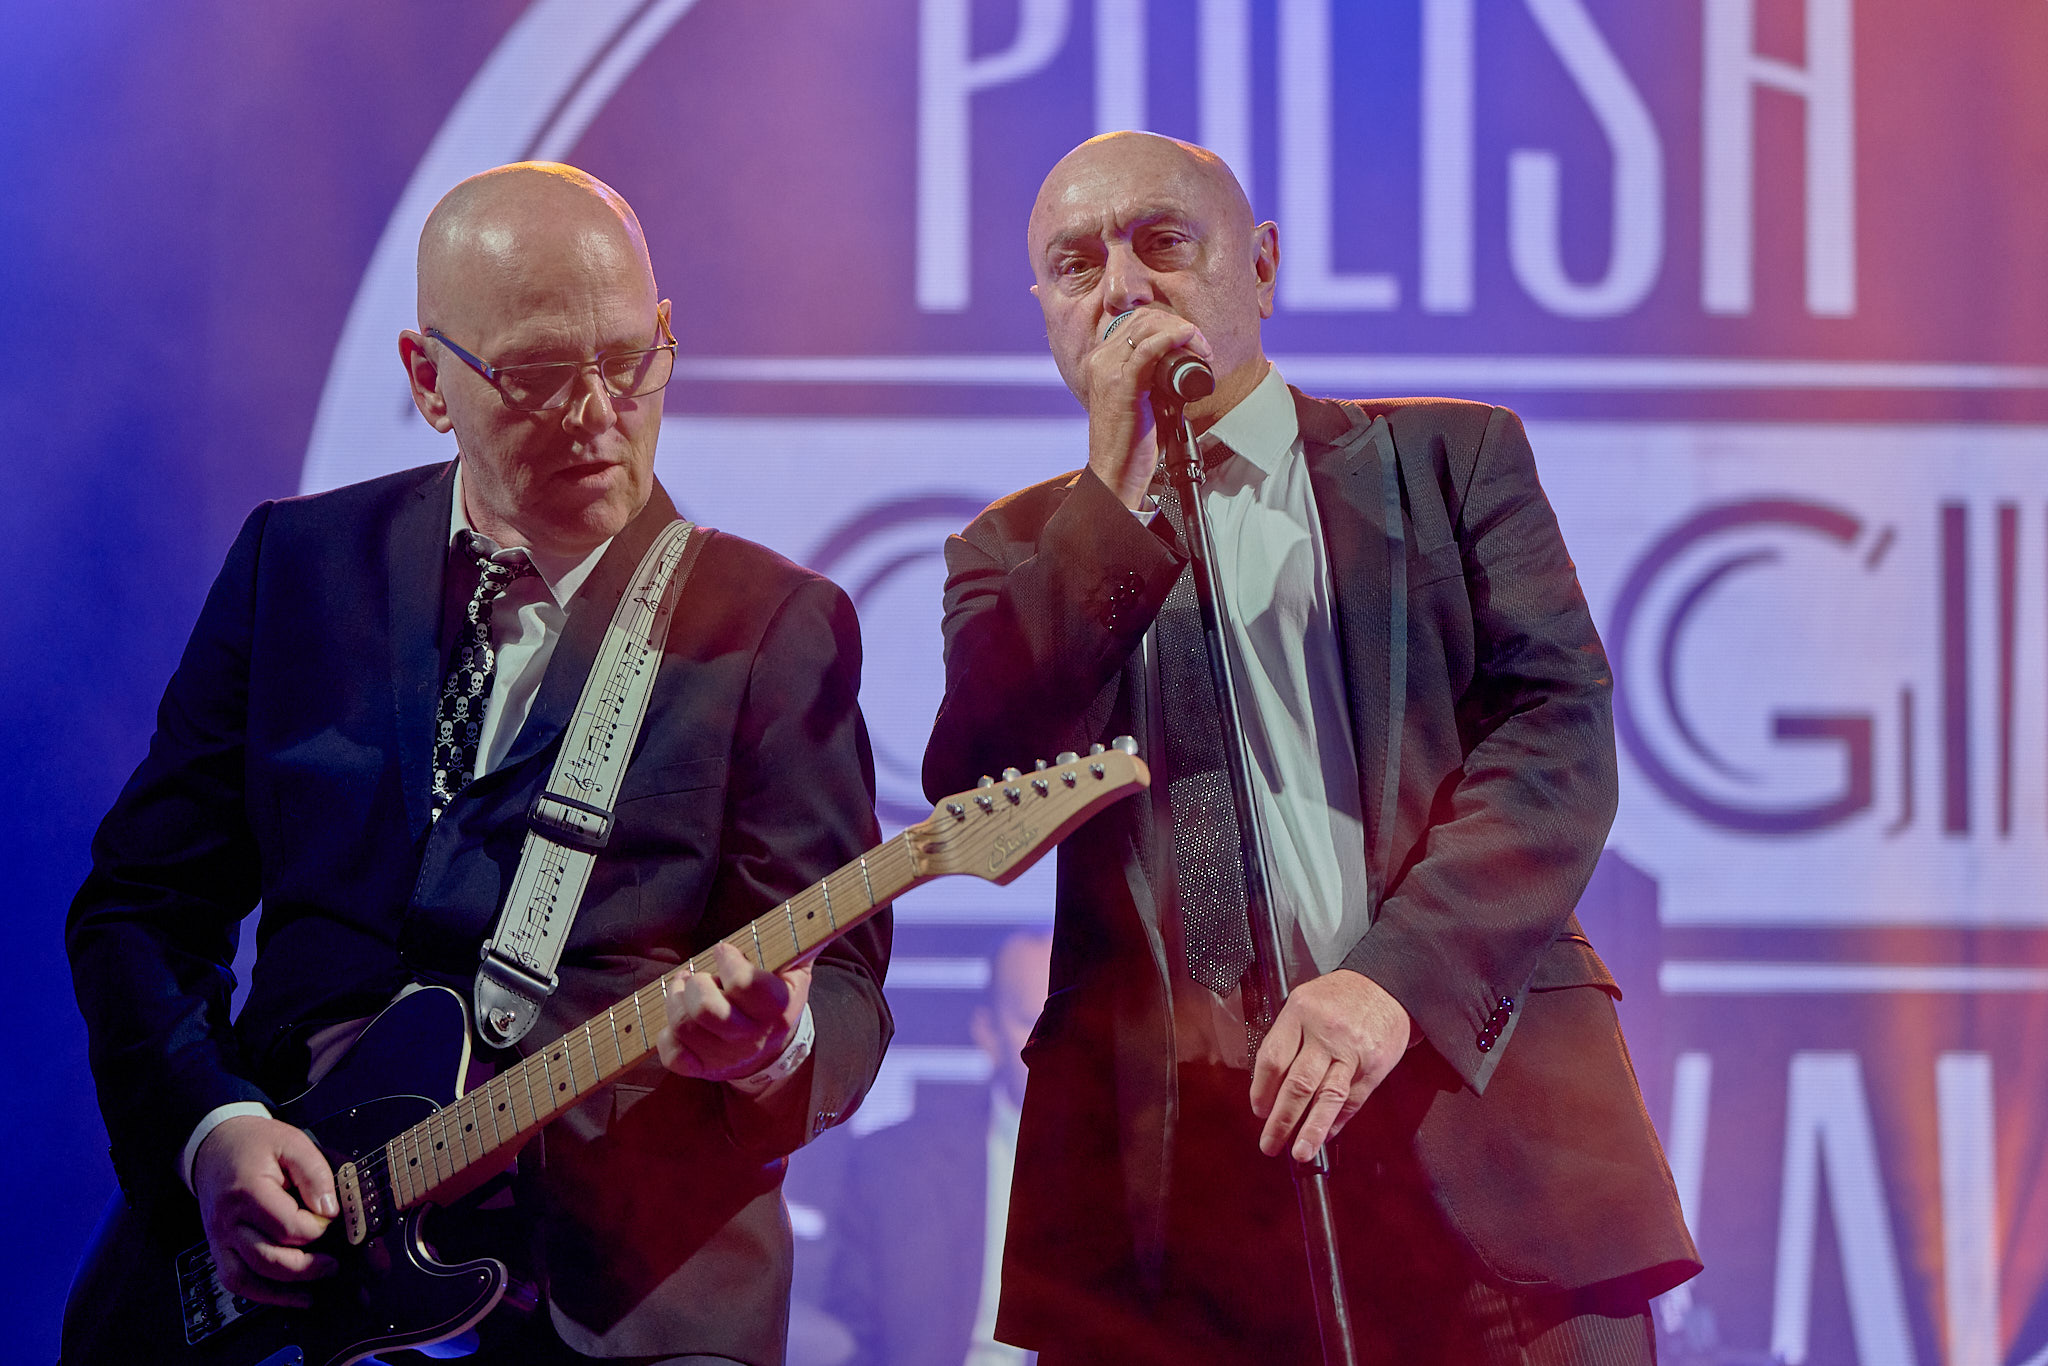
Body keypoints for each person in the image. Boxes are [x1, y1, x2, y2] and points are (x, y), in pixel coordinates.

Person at [64, 162, 892, 1365]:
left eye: (630, 359)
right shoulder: (295, 567)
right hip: (292, 1276)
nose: (598, 413)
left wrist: (776, 1046)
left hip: (625, 1301)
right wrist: (212, 1129)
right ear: (427, 378)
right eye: (541, 374)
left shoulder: (769, 625)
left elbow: (848, 988)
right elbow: (141, 906)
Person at [921, 131, 1699, 1366]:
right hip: (1179, 1218)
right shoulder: (1013, 554)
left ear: (1261, 264)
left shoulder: (1446, 462)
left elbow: (1555, 737)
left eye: (1160, 242)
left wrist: (1387, 983)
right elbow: (978, 781)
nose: (1120, 289)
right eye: (1074, 266)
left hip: (1478, 1126)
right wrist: (1111, 493)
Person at [826, 930, 1053, 1366]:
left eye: (1076, 1021)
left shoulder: (1145, 1175)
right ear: (988, 1032)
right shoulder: (893, 1168)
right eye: (1034, 1020)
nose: (1060, 1044)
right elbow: (847, 1336)